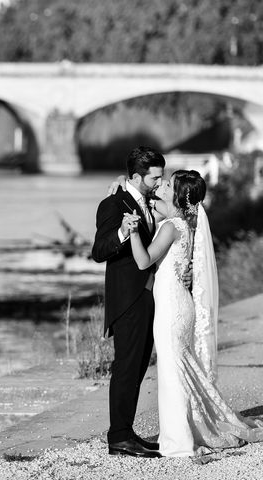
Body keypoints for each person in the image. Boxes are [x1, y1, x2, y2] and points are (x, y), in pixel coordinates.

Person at [124, 169, 263, 456]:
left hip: (171, 309)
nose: (162, 184)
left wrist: (133, 231)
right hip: (181, 306)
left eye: (168, 184)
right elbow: (153, 203)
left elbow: (143, 261)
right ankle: (186, 430)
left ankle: (178, 442)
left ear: (177, 194)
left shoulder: (170, 227)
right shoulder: (185, 225)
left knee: (171, 374)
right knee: (181, 370)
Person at [91, 146, 165, 458]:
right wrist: (122, 231)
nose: (160, 184)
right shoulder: (113, 204)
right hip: (128, 300)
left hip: (147, 298)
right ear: (137, 177)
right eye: (155, 179)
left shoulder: (150, 201)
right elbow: (98, 251)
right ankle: (118, 436)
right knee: (126, 368)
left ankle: (126, 431)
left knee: (136, 368)